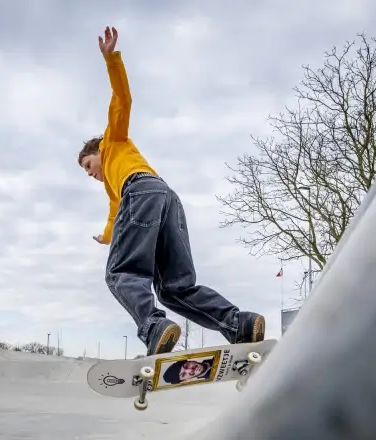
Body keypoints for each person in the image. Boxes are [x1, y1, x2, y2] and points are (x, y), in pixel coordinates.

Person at [77, 26, 265, 356]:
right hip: (166, 199)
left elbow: (123, 99)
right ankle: (239, 324)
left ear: (96, 150)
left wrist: (111, 60)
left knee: (120, 273)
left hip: (143, 194)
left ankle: (154, 326)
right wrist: (107, 236)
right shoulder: (114, 186)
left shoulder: (113, 141)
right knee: (175, 288)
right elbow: (113, 212)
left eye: (87, 165)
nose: (90, 174)